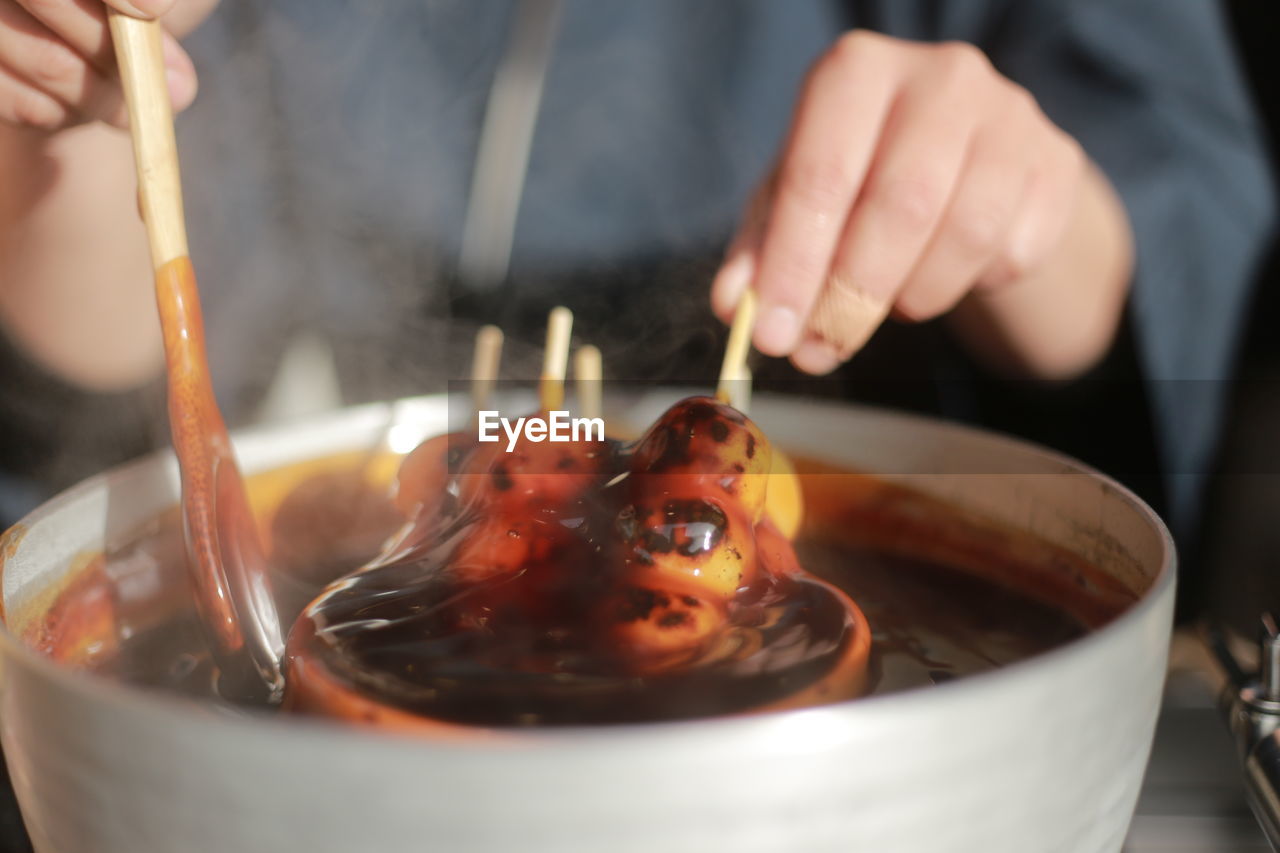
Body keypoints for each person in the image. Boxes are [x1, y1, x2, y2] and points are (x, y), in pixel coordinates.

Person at [0, 0, 1272, 537]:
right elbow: (116, 396)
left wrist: (1016, 213)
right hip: (351, 498)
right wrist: (61, 119)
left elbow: (1158, 209)